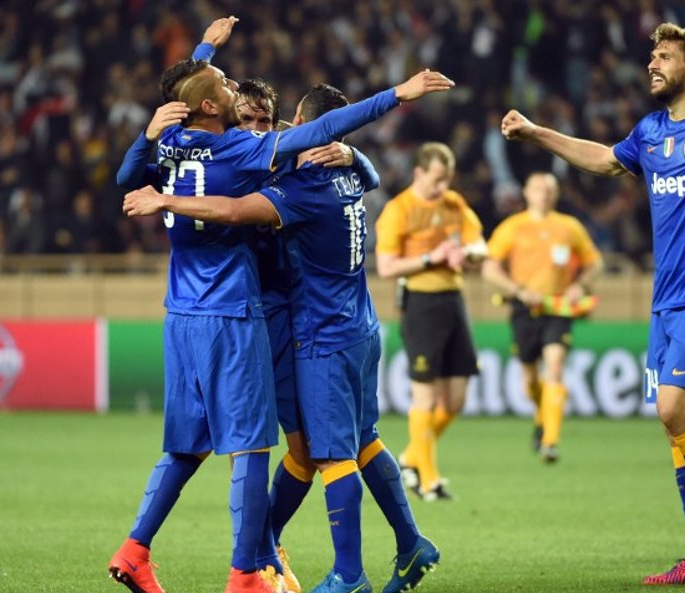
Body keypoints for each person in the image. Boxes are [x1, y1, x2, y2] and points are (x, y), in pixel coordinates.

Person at [108, 48, 454, 593]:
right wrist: (385, 111)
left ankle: (268, 556)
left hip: (261, 317)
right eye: (242, 116)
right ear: (220, 114)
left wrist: (354, 151)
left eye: (262, 121)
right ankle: (263, 560)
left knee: (307, 449)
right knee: (284, 447)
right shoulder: (242, 155)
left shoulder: (265, 160)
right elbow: (196, 131)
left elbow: (173, 135)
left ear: (284, 124)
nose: (253, 128)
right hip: (268, 317)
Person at [500, 22, 685, 586]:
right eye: (652, 56)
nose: (652, 64)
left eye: (665, 57)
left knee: (674, 410)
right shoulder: (649, 131)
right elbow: (604, 159)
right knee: (675, 427)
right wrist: (537, 134)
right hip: (665, 301)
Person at [374, 142, 487, 502]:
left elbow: (481, 245)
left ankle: (410, 458)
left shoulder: (454, 204)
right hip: (420, 303)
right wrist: (431, 258)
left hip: (454, 300)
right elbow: (387, 266)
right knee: (425, 394)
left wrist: (466, 253)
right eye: (437, 178)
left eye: (447, 179)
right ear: (419, 172)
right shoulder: (399, 210)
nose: (443, 186)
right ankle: (429, 480)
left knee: (455, 399)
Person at [481, 171, 602, 463]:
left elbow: (595, 263)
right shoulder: (513, 227)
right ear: (526, 193)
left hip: (559, 308)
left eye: (549, 190)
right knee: (530, 378)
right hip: (524, 308)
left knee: (555, 367)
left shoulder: (569, 227)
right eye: (538, 189)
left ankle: (550, 440)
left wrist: (579, 286)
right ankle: (542, 413)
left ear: (556, 194)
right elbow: (489, 268)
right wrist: (518, 291)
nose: (544, 195)